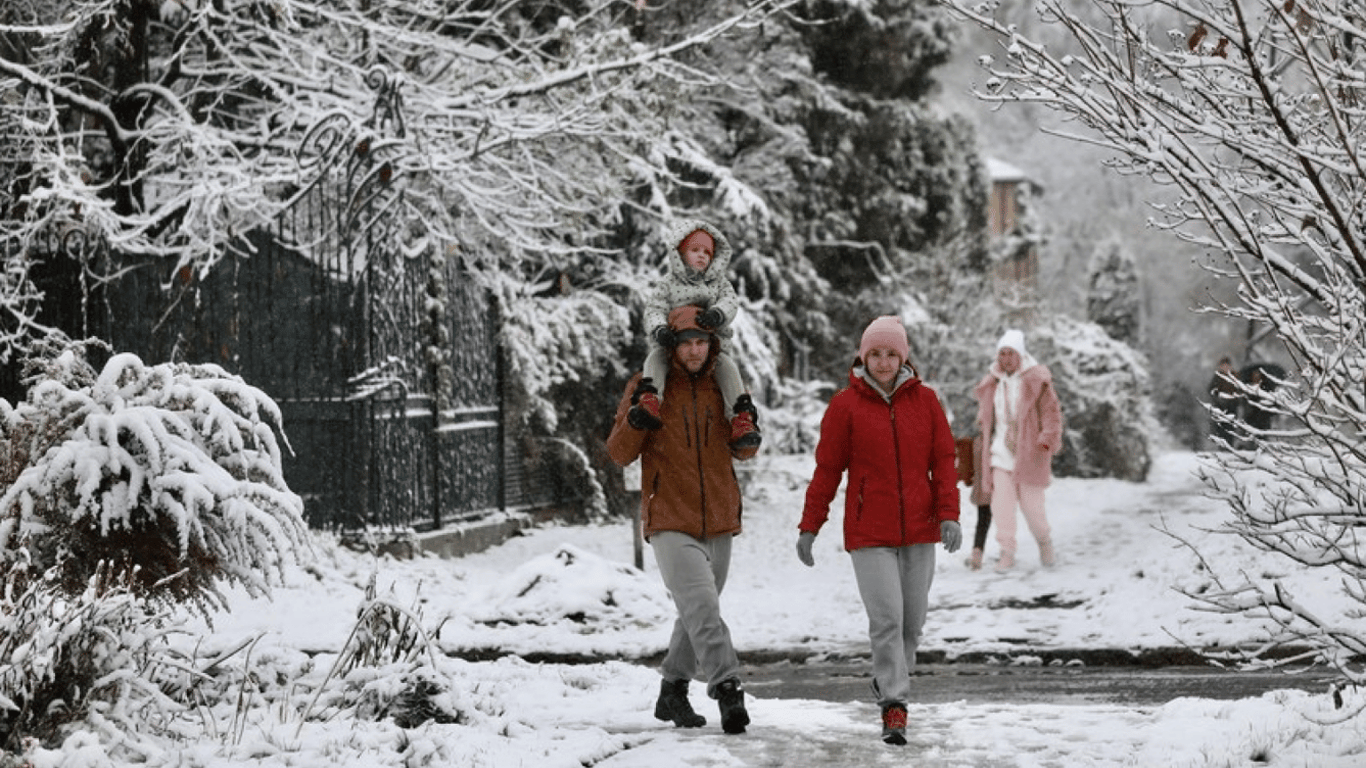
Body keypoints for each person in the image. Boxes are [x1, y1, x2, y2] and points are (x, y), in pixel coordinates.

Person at [795, 315, 962, 745]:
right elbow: (827, 471)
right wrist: (810, 526)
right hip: (869, 533)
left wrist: (949, 514)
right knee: (887, 619)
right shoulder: (844, 407)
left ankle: (889, 680)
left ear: (903, 356)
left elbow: (944, 460)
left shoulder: (925, 401)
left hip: (921, 529)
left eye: (891, 353)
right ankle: (894, 704)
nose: (883, 362)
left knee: (912, 623)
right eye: (875, 353)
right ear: (863, 356)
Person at [607, 304, 760, 735]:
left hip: (719, 516)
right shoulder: (648, 385)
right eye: (686, 342)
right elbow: (619, 452)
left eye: (701, 342)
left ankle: (672, 690)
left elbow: (745, 450)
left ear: (712, 344)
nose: (694, 351)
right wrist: (638, 418)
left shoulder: (724, 386)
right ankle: (728, 689)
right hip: (670, 515)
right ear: (671, 345)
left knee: (696, 614)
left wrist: (748, 429)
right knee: (703, 608)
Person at [628, 220, 761, 450]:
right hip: (673, 339)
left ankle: (740, 416)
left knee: (727, 367)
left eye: (706, 252)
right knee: (655, 359)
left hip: (711, 340)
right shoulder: (668, 284)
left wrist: (717, 314)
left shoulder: (719, 284)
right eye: (695, 250)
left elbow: (730, 302)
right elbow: (655, 308)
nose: (701, 256)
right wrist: (659, 329)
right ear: (680, 253)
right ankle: (650, 399)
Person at [972, 329, 1063, 572]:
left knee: (1033, 510)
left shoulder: (1036, 380)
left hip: (1029, 453)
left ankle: (1045, 542)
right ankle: (1006, 552)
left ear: (1021, 354)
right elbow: (987, 416)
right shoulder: (992, 382)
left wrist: (1047, 438)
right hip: (1000, 452)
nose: (1006, 358)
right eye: (1002, 353)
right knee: (1001, 508)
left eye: (1011, 353)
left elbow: (1051, 413)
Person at [961, 433, 992, 571]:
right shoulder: (983, 440)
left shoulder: (978, 440)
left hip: (984, 487)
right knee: (986, 519)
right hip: (992, 485)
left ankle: (977, 555)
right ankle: (978, 555)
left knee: (983, 520)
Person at [1206, 356, 1241, 449]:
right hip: (1220, 407)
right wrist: (1218, 399)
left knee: (1230, 428)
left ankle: (1229, 446)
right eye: (1223, 365)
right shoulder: (1218, 376)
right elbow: (1211, 390)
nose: (1225, 367)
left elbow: (1240, 391)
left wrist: (1234, 399)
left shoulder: (1235, 376)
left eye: (1226, 365)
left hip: (1232, 407)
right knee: (1220, 428)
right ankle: (1221, 447)